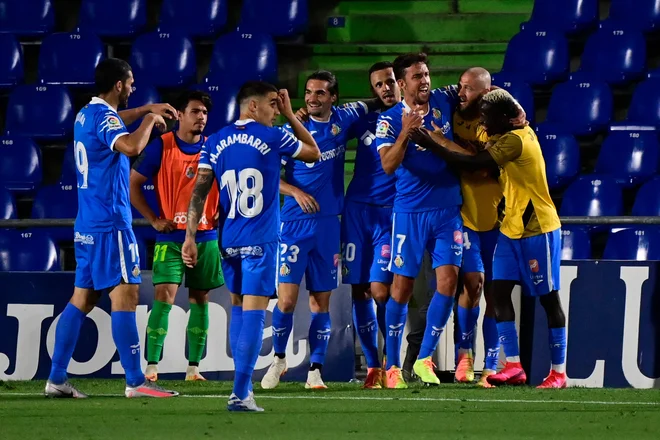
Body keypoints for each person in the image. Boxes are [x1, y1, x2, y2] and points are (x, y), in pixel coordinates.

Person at [410, 88, 567, 389]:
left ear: (505, 120)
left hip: (538, 228)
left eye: (487, 117)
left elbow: (474, 164)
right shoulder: (506, 129)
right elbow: (507, 109)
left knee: (549, 300)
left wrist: (431, 143)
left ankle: (558, 372)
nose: (482, 123)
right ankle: (514, 366)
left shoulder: (516, 141)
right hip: (510, 229)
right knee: (498, 294)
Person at [45, 58, 179, 398]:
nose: (133, 87)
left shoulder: (86, 114)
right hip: (110, 224)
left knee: (82, 300)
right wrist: (150, 118)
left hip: (87, 224)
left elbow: (115, 122)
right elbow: (131, 146)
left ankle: (56, 379)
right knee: (126, 297)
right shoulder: (105, 118)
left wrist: (146, 108)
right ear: (119, 84)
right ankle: (136, 382)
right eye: (130, 82)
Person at [183, 81, 320, 411]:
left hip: (228, 240)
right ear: (253, 106)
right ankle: (241, 392)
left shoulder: (214, 141)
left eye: (279, 105)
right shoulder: (273, 136)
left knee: (239, 310)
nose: (277, 110)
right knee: (256, 314)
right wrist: (291, 114)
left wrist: (190, 235)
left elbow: (200, 191)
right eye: (273, 104)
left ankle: (240, 388)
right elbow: (313, 151)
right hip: (261, 240)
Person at [261, 71, 380, 390]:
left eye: (320, 93)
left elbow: (373, 102)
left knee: (320, 303)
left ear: (333, 98)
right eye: (309, 93)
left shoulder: (345, 117)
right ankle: (279, 359)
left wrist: (391, 96)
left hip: (329, 225)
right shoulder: (290, 133)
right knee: (285, 301)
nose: (312, 98)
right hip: (293, 224)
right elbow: (269, 175)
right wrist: (296, 192)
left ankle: (315, 370)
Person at [375, 53, 463, 388]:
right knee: (402, 287)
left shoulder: (443, 99)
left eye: (426, 74)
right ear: (402, 84)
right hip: (410, 213)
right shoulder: (390, 120)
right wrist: (406, 133)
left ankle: (425, 358)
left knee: (448, 282)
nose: (424, 81)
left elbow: (478, 83)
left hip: (447, 210)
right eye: (416, 76)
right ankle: (393, 365)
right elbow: (387, 165)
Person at [130, 90, 223, 382]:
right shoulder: (161, 146)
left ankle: (194, 368)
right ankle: (152, 366)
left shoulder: (215, 147)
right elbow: (132, 184)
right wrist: (153, 219)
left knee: (200, 298)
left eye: (205, 113)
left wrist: (223, 209)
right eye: (195, 111)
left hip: (206, 236)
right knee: (164, 298)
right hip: (171, 238)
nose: (201, 117)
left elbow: (229, 183)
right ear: (180, 115)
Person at [342, 61, 400, 389]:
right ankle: (373, 367)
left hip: (389, 214)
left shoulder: (408, 116)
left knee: (381, 290)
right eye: (378, 85)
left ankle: (392, 361)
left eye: (389, 81)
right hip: (356, 212)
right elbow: (329, 127)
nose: (385, 88)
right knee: (359, 290)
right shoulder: (363, 118)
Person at [450, 67, 503, 386]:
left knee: (496, 293)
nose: (461, 93)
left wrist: (460, 153)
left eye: (468, 88)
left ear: (485, 92)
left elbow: (486, 167)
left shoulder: (497, 123)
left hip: (497, 219)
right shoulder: (453, 114)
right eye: (460, 86)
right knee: (474, 284)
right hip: (465, 218)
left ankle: (492, 362)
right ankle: (464, 354)